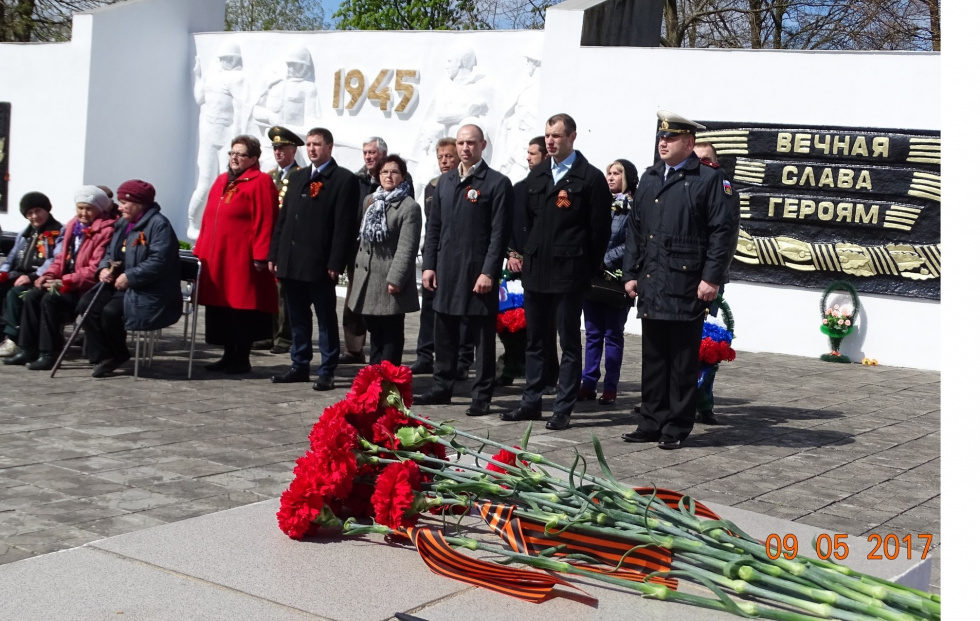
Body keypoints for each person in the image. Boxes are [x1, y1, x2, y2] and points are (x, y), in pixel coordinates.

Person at [621, 111, 738, 449]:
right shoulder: (650, 177)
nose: (663, 142)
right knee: (654, 357)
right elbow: (636, 230)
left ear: (689, 144)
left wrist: (711, 278)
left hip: (687, 282)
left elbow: (722, 232)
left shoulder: (709, 179)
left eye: (670, 138)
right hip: (653, 280)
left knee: (683, 359)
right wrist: (631, 273)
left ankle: (676, 426)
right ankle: (651, 421)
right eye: (661, 137)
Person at [501, 113, 611, 431]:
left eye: (557, 135)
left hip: (569, 272)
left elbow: (598, 230)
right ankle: (531, 402)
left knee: (568, 343)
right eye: (547, 135)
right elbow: (523, 220)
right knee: (535, 340)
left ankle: (563, 407)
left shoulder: (588, 178)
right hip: (537, 271)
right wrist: (527, 248)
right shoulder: (537, 176)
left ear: (572, 137)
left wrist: (585, 267)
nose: (550, 141)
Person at [415, 124, 513, 417]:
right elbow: (433, 228)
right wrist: (429, 265)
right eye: (460, 143)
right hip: (446, 268)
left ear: (482, 145)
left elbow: (499, 234)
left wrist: (489, 272)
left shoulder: (496, 183)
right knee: (443, 328)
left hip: (476, 271)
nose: (464, 149)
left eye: (471, 143)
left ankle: (481, 394)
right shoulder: (444, 183)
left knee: (481, 336)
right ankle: (442, 386)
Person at [268, 127, 359, 391]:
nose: (312, 149)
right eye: (308, 144)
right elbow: (283, 220)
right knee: (297, 316)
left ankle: (327, 368)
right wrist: (275, 254)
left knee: (325, 317)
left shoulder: (343, 179)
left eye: (317, 144)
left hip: (319, 263)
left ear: (329, 147)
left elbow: (344, 225)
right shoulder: (297, 178)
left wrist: (335, 262)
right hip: (292, 260)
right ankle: (299, 363)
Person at [4, 187, 117, 370]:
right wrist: (47, 275)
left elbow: (93, 269)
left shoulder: (106, 231)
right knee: (32, 295)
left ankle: (49, 353)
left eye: (89, 209)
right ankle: (28, 348)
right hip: (63, 281)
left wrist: (65, 281)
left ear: (100, 210)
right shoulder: (73, 226)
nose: (83, 213)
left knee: (50, 299)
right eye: (80, 208)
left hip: (83, 287)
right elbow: (60, 258)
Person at [194, 134, 279, 375]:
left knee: (241, 310)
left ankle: (241, 357)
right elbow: (208, 219)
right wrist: (200, 250)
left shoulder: (260, 182)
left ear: (253, 159)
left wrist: (261, 255)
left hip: (242, 260)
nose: (234, 158)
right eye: (232, 153)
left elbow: (266, 219)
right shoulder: (222, 180)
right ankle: (227, 354)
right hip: (218, 259)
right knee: (222, 309)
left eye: (240, 154)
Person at [79, 180, 183, 378]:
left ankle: (116, 355)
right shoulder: (122, 223)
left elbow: (160, 260)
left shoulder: (159, 225)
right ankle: (103, 355)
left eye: (125, 203)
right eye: (119, 202)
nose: (120, 207)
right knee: (87, 305)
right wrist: (103, 269)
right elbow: (110, 251)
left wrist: (130, 276)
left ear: (140, 204)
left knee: (110, 312)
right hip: (119, 283)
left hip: (147, 288)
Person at [347, 154, 422, 365]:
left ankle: (389, 381)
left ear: (403, 176)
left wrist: (396, 278)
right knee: (375, 333)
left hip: (389, 280)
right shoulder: (370, 200)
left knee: (391, 334)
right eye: (384, 172)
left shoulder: (409, 207)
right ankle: (374, 379)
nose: (389, 176)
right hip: (369, 278)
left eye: (394, 172)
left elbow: (407, 247)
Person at [411, 137, 474, 378]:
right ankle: (424, 355)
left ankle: (462, 360)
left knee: (462, 312)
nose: (444, 161)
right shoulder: (434, 186)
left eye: (449, 156)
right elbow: (434, 223)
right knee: (429, 307)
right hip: (435, 254)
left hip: (460, 257)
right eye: (440, 157)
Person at [578, 159, 639, 406]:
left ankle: (610, 387)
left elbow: (634, 241)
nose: (611, 177)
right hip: (592, 276)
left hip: (617, 279)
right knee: (592, 333)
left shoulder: (635, 207)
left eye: (617, 173)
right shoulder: (599, 202)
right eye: (609, 173)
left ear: (628, 177)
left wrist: (605, 259)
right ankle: (588, 382)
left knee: (613, 335)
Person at [256, 125, 305, 356]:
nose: (278, 152)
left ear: (293, 150)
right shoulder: (269, 176)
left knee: (283, 292)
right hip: (267, 240)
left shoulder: (300, 176)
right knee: (267, 290)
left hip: (287, 242)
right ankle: (267, 333)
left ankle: (284, 337)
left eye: (283, 148)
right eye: (275, 148)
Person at [0, 192, 63, 358]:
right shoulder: (25, 233)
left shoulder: (58, 232)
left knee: (16, 293)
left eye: (38, 211)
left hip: (41, 276)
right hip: (20, 272)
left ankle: (14, 338)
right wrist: (4, 272)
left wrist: (34, 276)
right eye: (29, 213)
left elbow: (55, 258)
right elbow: (13, 255)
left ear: (47, 210)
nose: (34, 216)